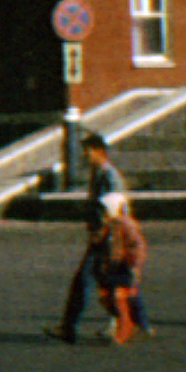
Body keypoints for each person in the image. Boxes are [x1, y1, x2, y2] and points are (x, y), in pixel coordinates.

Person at [48, 133, 127, 344]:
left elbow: (115, 206)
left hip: (107, 238)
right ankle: (123, 323)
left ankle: (69, 327)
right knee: (107, 282)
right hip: (101, 236)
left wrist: (104, 230)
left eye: (87, 151)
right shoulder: (99, 174)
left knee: (85, 280)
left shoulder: (109, 176)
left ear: (98, 151)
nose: (84, 156)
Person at [94, 190, 150, 345]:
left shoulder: (125, 224)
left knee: (122, 299)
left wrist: (133, 265)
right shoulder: (111, 225)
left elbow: (136, 246)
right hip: (114, 267)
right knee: (111, 297)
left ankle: (126, 331)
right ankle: (137, 326)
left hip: (124, 267)